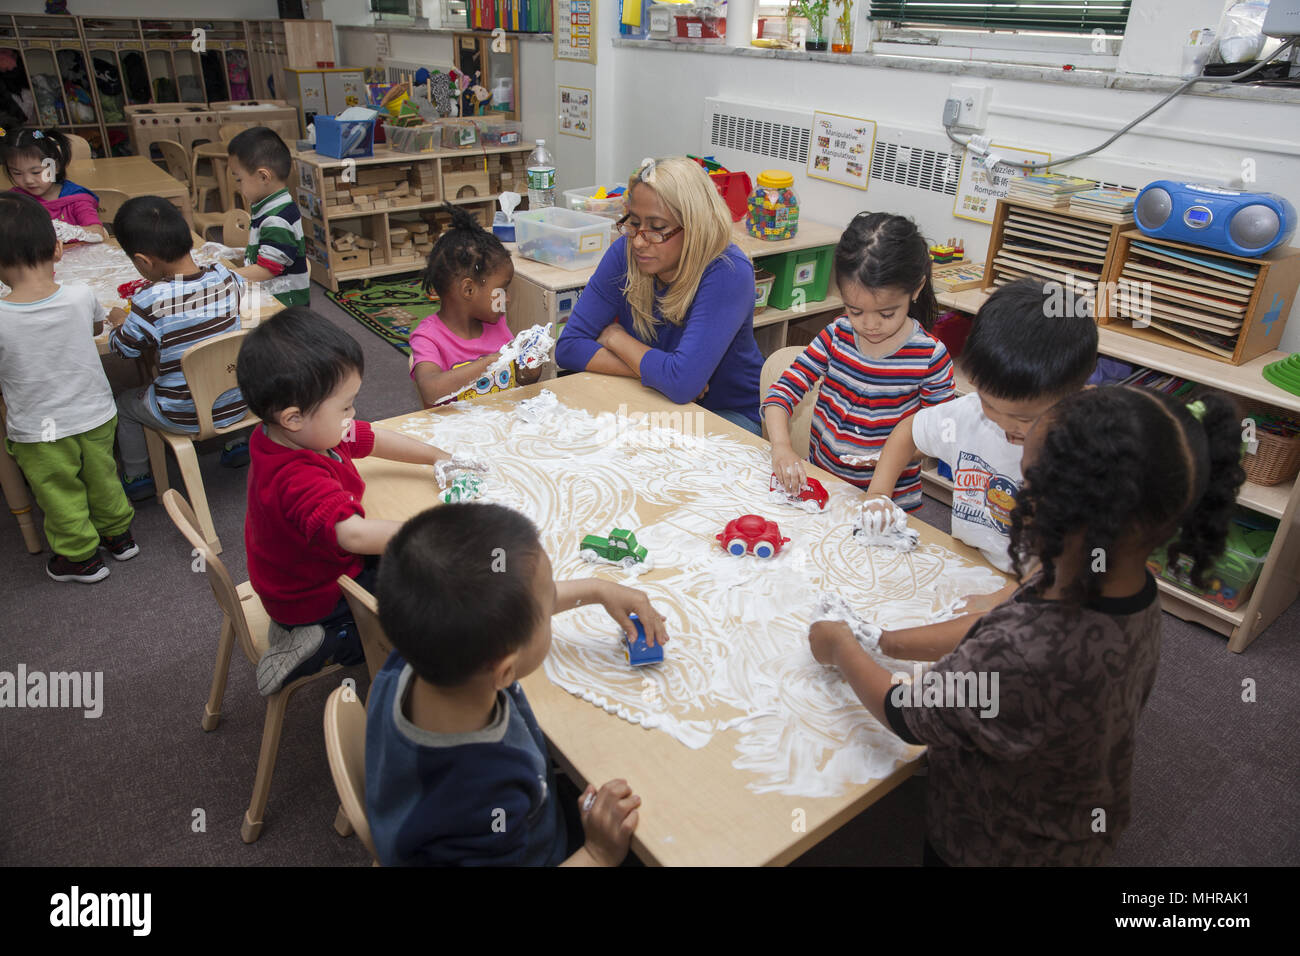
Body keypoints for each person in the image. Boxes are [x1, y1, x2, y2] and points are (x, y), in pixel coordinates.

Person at [809, 387, 1246, 865]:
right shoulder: (1120, 583)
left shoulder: (1025, 652)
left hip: (999, 842)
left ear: (1057, 509)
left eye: (1027, 483)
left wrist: (843, 647)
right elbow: (997, 619)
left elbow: (906, 714)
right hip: (1077, 811)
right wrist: (885, 640)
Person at [368, 502, 669, 866]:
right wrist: (598, 853)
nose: (552, 602)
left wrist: (597, 590)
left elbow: (502, 602)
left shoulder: (415, 656)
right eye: (546, 609)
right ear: (505, 671)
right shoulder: (485, 798)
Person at [236, 309, 459, 694]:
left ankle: (306, 628)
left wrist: (438, 456)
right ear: (293, 418)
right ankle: (323, 640)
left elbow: (370, 437)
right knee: (426, 613)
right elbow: (353, 535)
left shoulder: (299, 432)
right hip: (313, 596)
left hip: (297, 570)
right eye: (346, 406)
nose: (352, 415)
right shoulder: (296, 475)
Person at [864, 276, 1097, 577]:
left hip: (1046, 586)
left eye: (1026, 419)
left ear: (1077, 396)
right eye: (990, 404)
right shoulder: (971, 413)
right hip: (971, 561)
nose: (1004, 423)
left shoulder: (1086, 454)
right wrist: (878, 494)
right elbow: (908, 434)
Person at [554, 157, 764, 434]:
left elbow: (681, 385)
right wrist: (660, 373)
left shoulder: (728, 271)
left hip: (728, 415)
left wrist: (615, 337)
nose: (640, 240)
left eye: (657, 227)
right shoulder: (626, 252)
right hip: (657, 397)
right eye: (635, 222)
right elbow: (567, 348)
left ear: (695, 226)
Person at [764, 212, 954, 507]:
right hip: (825, 484)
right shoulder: (836, 335)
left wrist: (892, 457)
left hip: (891, 499)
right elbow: (781, 394)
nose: (869, 325)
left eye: (887, 313)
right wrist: (781, 446)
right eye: (855, 311)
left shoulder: (929, 357)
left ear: (916, 288)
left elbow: (939, 432)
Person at [0, 192, 136, 582]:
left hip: (41, 429)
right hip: (95, 413)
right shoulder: (80, 295)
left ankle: (79, 557)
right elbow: (94, 329)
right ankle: (119, 535)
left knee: (59, 491)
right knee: (103, 475)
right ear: (58, 249)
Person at [106, 196, 247, 501]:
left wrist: (120, 322)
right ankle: (236, 444)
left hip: (183, 413)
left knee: (124, 404)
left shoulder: (149, 302)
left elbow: (123, 350)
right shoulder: (227, 277)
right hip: (239, 400)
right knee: (219, 366)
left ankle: (138, 476)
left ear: (143, 261)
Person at [410, 203, 540, 408]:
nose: (506, 299)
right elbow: (431, 390)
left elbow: (521, 381)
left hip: (500, 425)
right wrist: (489, 363)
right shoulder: (429, 337)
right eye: (502, 289)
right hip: (454, 434)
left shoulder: (497, 325)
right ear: (468, 290)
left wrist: (529, 367)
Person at [226, 126, 309, 307]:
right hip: (273, 299)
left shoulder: (276, 219)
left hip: (283, 309)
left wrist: (225, 278)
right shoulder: (269, 207)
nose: (238, 186)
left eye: (239, 179)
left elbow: (267, 269)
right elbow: (267, 251)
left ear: (264, 177)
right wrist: (234, 253)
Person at [1, 127, 107, 240]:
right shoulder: (14, 201)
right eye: (17, 173)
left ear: (55, 166)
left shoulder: (76, 198)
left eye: (36, 172)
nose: (28, 180)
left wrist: (64, 232)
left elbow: (97, 232)